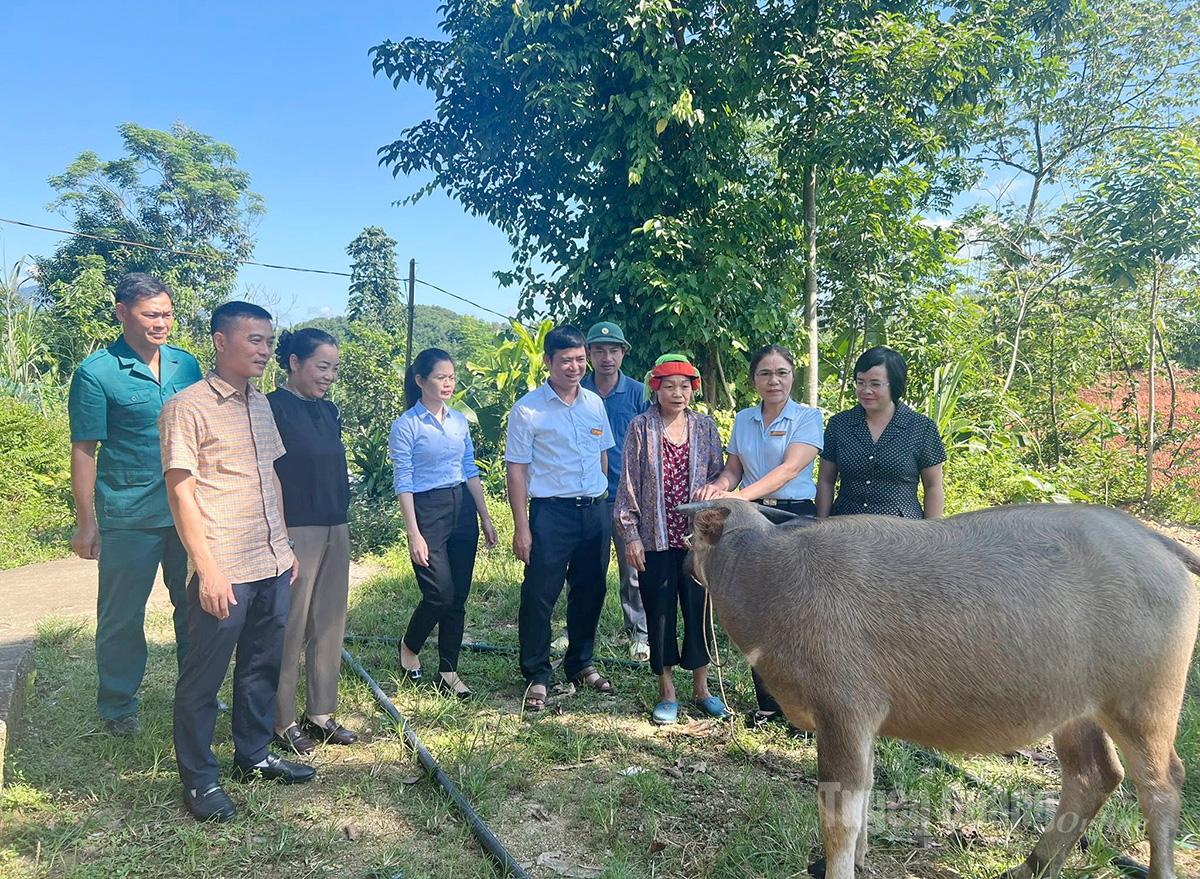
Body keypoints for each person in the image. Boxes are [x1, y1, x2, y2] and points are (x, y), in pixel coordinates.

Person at [160, 301, 314, 823]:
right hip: (223, 564)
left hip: (270, 560)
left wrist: (285, 546)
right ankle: (200, 781)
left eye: (268, 341)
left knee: (261, 665)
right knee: (203, 679)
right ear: (221, 341)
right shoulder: (188, 406)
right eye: (254, 340)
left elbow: (271, 477)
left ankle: (253, 754)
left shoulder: (260, 404)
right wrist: (206, 567)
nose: (265, 350)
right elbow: (181, 492)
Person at [67, 272, 203, 736]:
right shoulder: (96, 373)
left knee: (196, 607)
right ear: (122, 312)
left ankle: (198, 693)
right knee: (123, 614)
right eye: (151, 314)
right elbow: (85, 449)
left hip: (188, 510)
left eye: (166, 313)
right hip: (129, 514)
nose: (161, 323)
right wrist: (87, 523)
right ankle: (118, 704)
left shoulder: (187, 366)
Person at [697, 344, 823, 728]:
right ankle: (768, 704)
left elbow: (788, 470)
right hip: (749, 519)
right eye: (765, 374)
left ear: (792, 377)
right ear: (754, 380)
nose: (774, 380)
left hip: (792, 516)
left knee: (797, 613)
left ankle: (802, 710)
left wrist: (736, 498)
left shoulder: (807, 417)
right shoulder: (744, 419)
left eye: (782, 373)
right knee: (756, 609)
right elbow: (734, 468)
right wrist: (717, 486)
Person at [505, 325, 615, 712]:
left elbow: (603, 455)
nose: (575, 367)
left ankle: (580, 662)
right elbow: (516, 470)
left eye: (580, 359)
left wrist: (602, 499)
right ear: (548, 362)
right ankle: (536, 673)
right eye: (566, 360)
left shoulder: (594, 404)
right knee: (540, 594)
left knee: (591, 591)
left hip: (595, 511)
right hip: (551, 513)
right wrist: (522, 527)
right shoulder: (528, 410)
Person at [614, 355, 728, 724]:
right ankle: (667, 691)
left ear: (692, 390)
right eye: (669, 385)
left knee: (698, 610)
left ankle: (702, 689)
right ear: (655, 388)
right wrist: (630, 534)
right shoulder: (641, 427)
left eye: (684, 385)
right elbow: (628, 483)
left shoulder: (706, 427)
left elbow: (717, 477)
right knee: (659, 612)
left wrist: (713, 530)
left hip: (696, 540)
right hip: (654, 536)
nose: (677, 393)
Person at [389, 347, 498, 700]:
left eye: (451, 377)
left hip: (461, 507)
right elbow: (403, 481)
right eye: (440, 377)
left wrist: (484, 517)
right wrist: (414, 533)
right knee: (439, 593)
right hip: (427, 510)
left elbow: (470, 469)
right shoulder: (406, 426)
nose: (448, 383)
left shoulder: (458, 421)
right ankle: (410, 644)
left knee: (459, 597)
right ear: (421, 381)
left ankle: (449, 670)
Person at [267, 328, 357, 756]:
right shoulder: (272, 408)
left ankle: (320, 713)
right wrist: (279, 536)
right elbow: (268, 477)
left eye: (334, 369)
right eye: (322, 367)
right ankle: (281, 718)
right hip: (295, 529)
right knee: (291, 625)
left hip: (335, 524)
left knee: (329, 621)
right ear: (294, 363)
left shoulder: (329, 411)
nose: (329, 376)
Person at [579, 321, 650, 661]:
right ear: (589, 354)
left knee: (633, 570)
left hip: (629, 496)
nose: (606, 357)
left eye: (613, 350)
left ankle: (639, 632)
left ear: (623, 353)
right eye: (599, 351)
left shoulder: (638, 392)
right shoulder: (577, 390)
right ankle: (576, 630)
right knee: (584, 570)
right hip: (586, 495)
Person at [816, 346, 946, 520]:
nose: (866, 390)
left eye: (875, 384)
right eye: (860, 382)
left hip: (902, 531)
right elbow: (826, 481)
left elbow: (933, 486)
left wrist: (932, 535)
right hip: (845, 529)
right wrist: (821, 523)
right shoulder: (839, 424)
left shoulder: (922, 428)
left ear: (895, 384)